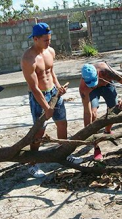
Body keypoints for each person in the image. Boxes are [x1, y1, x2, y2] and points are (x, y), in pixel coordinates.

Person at [21, 22, 83, 178]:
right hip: (39, 97)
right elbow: (34, 87)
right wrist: (46, 107)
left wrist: (58, 86)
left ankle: (64, 153)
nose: (49, 43)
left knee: (62, 123)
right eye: (45, 40)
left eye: (49, 39)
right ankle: (33, 164)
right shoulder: (28, 59)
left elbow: (51, 73)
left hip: (54, 93)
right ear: (35, 39)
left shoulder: (50, 51)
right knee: (39, 131)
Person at [79, 62, 122, 161]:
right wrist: (88, 132)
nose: (93, 85)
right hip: (93, 94)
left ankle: (107, 131)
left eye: (94, 81)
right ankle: (96, 145)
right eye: (90, 84)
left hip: (107, 86)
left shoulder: (107, 72)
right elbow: (87, 113)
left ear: (98, 73)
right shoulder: (84, 88)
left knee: (114, 109)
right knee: (93, 113)